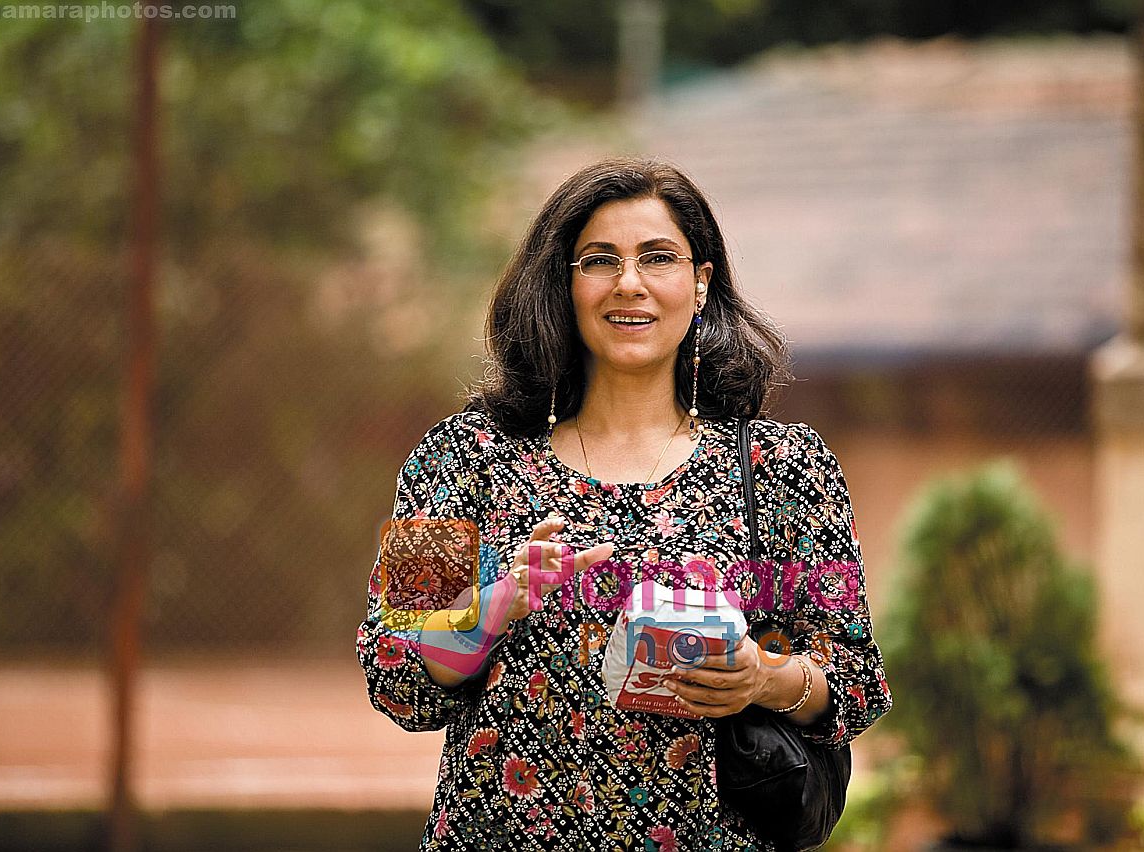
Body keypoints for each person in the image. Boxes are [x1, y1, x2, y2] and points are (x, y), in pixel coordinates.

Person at [356, 157, 891, 851]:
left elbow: (852, 678)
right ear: (565, 284)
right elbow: (394, 671)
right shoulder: (464, 455)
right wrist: (493, 604)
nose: (629, 284)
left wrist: (762, 678)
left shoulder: (786, 469)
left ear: (701, 283)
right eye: (599, 261)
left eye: (658, 257)